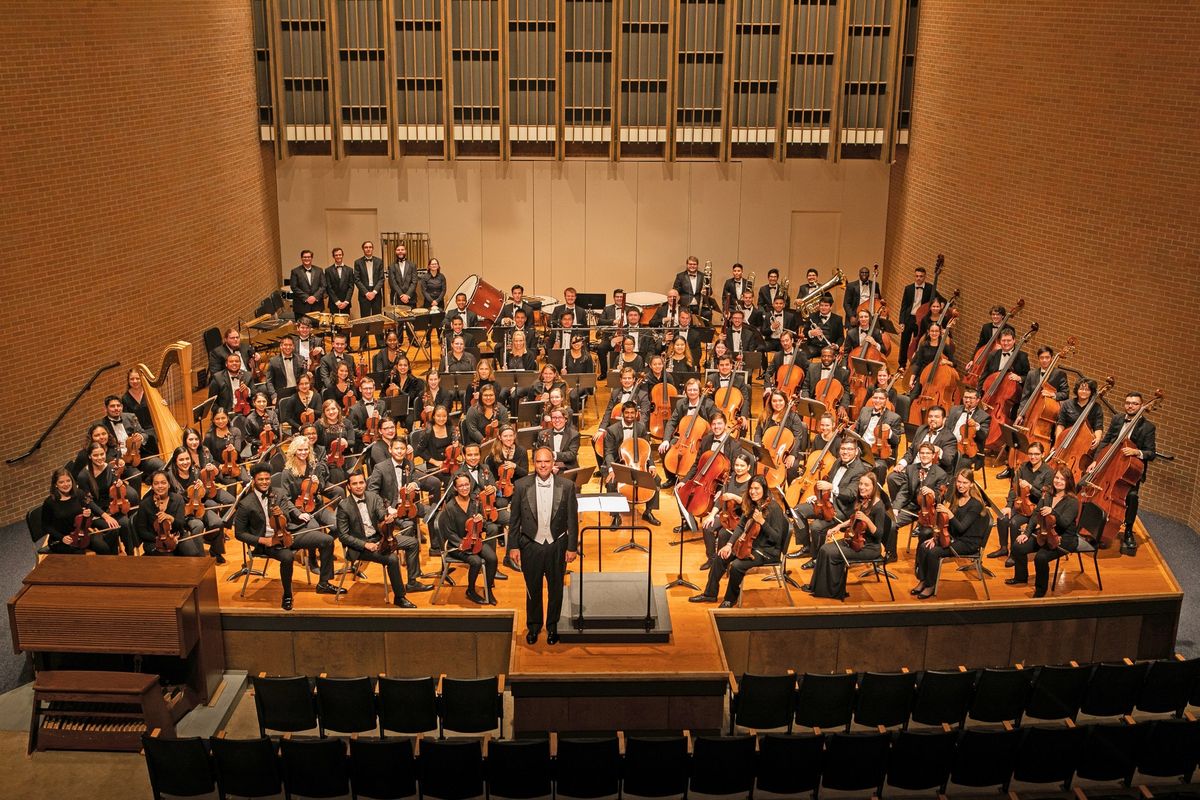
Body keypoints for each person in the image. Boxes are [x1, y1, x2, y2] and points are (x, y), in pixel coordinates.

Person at [234, 463, 342, 611]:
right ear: (254, 480)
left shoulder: (278, 493)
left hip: (288, 534)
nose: (265, 482)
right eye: (261, 479)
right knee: (287, 558)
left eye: (267, 479)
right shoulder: (246, 504)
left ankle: (323, 583)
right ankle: (287, 594)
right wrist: (262, 540)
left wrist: (281, 515)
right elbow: (239, 533)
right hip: (269, 542)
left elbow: (287, 516)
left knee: (327, 540)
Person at [509, 447, 579, 645]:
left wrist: (572, 547)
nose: (542, 465)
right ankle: (533, 625)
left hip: (557, 544)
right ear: (534, 463)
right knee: (533, 588)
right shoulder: (521, 485)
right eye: (539, 461)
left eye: (546, 461)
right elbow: (514, 520)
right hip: (531, 545)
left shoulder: (566, 486)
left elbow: (572, 520)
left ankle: (553, 626)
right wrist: (513, 547)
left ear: (553, 463)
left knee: (556, 588)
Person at [689, 476, 786, 608]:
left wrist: (762, 522)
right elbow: (741, 526)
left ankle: (730, 599)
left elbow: (777, 537)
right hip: (749, 545)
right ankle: (710, 594)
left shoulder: (774, 508)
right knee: (720, 556)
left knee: (736, 566)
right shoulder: (753, 504)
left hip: (767, 550)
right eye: (751, 488)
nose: (753, 492)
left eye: (756, 488)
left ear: (764, 489)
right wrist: (729, 545)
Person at [336, 472, 422, 608]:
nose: (359, 486)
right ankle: (400, 597)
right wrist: (365, 545)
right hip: (361, 547)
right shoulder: (344, 506)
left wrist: (387, 518)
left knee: (413, 543)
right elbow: (343, 536)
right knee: (392, 559)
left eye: (361, 482)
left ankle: (412, 582)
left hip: (381, 538)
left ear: (365, 483)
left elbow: (381, 513)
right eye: (354, 483)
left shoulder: (373, 497)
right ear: (348, 486)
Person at [803, 472, 889, 599]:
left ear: (874, 487)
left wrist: (867, 520)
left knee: (831, 553)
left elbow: (879, 534)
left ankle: (833, 591)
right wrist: (838, 526)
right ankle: (816, 586)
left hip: (868, 547)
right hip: (854, 540)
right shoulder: (862, 501)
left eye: (866, 485)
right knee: (823, 549)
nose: (862, 487)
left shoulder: (879, 506)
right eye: (860, 484)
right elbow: (853, 519)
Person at [1089, 391, 1156, 552]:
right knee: (1098, 491)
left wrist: (1136, 452)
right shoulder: (1118, 419)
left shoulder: (1148, 427)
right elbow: (1107, 440)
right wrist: (1096, 461)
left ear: (1141, 406)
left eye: (1134, 403)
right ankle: (1094, 527)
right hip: (1110, 465)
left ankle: (1127, 531)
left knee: (1132, 497)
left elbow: (1151, 453)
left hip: (1129, 473)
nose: (1130, 406)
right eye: (1128, 402)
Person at [910, 469, 990, 599]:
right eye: (959, 482)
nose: (961, 485)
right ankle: (923, 580)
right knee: (925, 546)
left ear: (971, 484)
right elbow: (946, 525)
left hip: (968, 542)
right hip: (955, 537)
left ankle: (930, 585)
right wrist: (935, 538)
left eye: (965, 482)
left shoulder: (975, 504)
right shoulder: (956, 498)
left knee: (933, 552)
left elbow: (961, 528)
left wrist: (950, 514)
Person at [794, 440, 869, 569]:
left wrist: (832, 487)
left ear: (856, 452)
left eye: (849, 449)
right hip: (826, 502)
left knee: (817, 527)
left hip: (842, 509)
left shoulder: (860, 470)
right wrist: (818, 497)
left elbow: (851, 494)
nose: (845, 452)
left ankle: (817, 558)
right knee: (796, 511)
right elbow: (827, 482)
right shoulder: (837, 462)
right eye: (843, 448)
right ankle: (806, 546)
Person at [1007, 466, 1080, 597]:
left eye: (1062, 479)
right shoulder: (1047, 494)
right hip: (1044, 533)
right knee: (1018, 546)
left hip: (1064, 538)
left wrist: (1054, 512)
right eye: (1056, 477)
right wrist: (1027, 533)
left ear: (1068, 482)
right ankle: (1021, 577)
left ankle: (1040, 590)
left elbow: (1064, 523)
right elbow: (1035, 515)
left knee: (1040, 557)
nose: (1058, 481)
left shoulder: (1073, 501)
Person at [438, 473, 500, 605]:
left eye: (467, 484)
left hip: (475, 540)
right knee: (476, 561)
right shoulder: (449, 507)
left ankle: (488, 590)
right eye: (461, 485)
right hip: (457, 545)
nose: (464, 488)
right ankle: (470, 590)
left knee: (492, 558)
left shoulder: (476, 502)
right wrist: (462, 543)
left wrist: (481, 521)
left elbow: (482, 525)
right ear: (455, 488)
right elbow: (448, 533)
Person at [605, 402, 662, 525]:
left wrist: (651, 465)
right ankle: (616, 516)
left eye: (632, 413)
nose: (630, 415)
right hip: (619, 464)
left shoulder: (641, 428)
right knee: (611, 482)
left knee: (656, 479)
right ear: (622, 413)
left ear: (636, 413)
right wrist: (611, 470)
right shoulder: (612, 430)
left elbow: (647, 448)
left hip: (639, 463)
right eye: (627, 413)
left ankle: (648, 511)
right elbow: (608, 452)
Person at [76, 441, 138, 555]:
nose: (99, 458)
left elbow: (114, 489)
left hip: (112, 506)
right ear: (89, 456)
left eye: (101, 454)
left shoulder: (110, 467)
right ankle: (111, 556)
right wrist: (105, 516)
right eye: (95, 455)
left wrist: (119, 484)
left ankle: (131, 555)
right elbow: (88, 501)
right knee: (112, 528)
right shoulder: (83, 476)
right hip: (95, 512)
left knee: (125, 523)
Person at [42, 468, 119, 555]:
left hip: (82, 534)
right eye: (61, 482)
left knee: (103, 548)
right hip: (62, 539)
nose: (66, 484)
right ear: (56, 484)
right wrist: (61, 537)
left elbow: (89, 510)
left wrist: (89, 514)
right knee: (80, 556)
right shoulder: (50, 502)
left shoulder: (79, 494)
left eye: (68, 481)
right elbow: (45, 526)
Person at [135, 469, 202, 557]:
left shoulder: (178, 499)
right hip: (154, 541)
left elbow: (181, 524)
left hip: (177, 536)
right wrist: (159, 539)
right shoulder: (145, 504)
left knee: (193, 554)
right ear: (152, 486)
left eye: (163, 483)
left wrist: (171, 518)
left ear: (169, 484)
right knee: (168, 558)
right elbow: (142, 531)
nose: (160, 486)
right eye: (156, 483)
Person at [898, 265, 939, 368]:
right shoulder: (908, 288)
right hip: (909, 318)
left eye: (921, 276)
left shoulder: (930, 288)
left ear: (925, 277)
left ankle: (915, 364)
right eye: (916, 276)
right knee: (904, 343)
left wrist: (946, 305)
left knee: (918, 343)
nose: (918, 278)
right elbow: (904, 306)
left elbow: (940, 299)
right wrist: (901, 321)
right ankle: (902, 365)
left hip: (921, 320)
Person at [290, 249, 327, 319]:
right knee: (301, 328)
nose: (306, 259)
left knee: (317, 329)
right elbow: (294, 287)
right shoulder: (295, 271)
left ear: (311, 258)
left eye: (308, 257)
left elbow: (323, 285)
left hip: (317, 306)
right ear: (301, 258)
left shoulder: (319, 270)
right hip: (301, 307)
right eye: (304, 257)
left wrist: (314, 297)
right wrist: (307, 298)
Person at [353, 240, 386, 317]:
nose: (368, 249)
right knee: (365, 318)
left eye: (370, 247)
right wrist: (367, 293)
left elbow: (381, 278)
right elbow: (357, 279)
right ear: (363, 249)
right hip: (364, 294)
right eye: (366, 247)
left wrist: (374, 292)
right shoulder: (357, 262)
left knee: (377, 318)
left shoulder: (379, 261)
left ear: (372, 248)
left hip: (376, 294)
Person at [325, 247, 355, 317]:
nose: (338, 256)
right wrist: (337, 302)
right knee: (334, 325)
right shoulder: (328, 270)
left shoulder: (349, 270)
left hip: (346, 303)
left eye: (340, 255)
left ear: (342, 255)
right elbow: (329, 287)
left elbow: (351, 287)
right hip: (333, 302)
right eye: (336, 255)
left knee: (346, 324)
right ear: (333, 256)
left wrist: (346, 301)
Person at [388, 242, 418, 307]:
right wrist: (401, 295)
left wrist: (407, 295)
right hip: (397, 298)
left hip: (410, 298)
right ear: (395, 252)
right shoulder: (391, 266)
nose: (400, 251)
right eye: (398, 250)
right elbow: (392, 283)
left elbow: (414, 282)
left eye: (402, 250)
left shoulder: (412, 265)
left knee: (412, 317)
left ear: (405, 251)